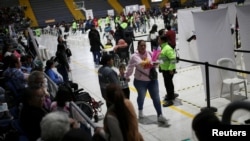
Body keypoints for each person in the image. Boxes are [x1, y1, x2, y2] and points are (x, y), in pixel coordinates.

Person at [124, 40, 169, 124]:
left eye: (144, 45)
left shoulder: (149, 52)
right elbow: (142, 65)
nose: (143, 47)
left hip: (152, 80)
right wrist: (126, 76)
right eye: (141, 45)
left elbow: (157, 60)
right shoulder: (134, 56)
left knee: (156, 97)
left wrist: (161, 60)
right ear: (137, 46)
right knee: (141, 97)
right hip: (140, 81)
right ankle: (140, 110)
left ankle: (160, 115)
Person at [158, 35, 178, 107]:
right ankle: (171, 95)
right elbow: (164, 59)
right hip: (165, 69)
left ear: (162, 40)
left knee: (168, 84)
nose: (158, 40)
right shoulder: (163, 48)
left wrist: (171, 69)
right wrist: (160, 66)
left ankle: (170, 100)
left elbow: (173, 59)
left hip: (168, 70)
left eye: (159, 39)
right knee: (168, 83)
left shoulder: (167, 48)